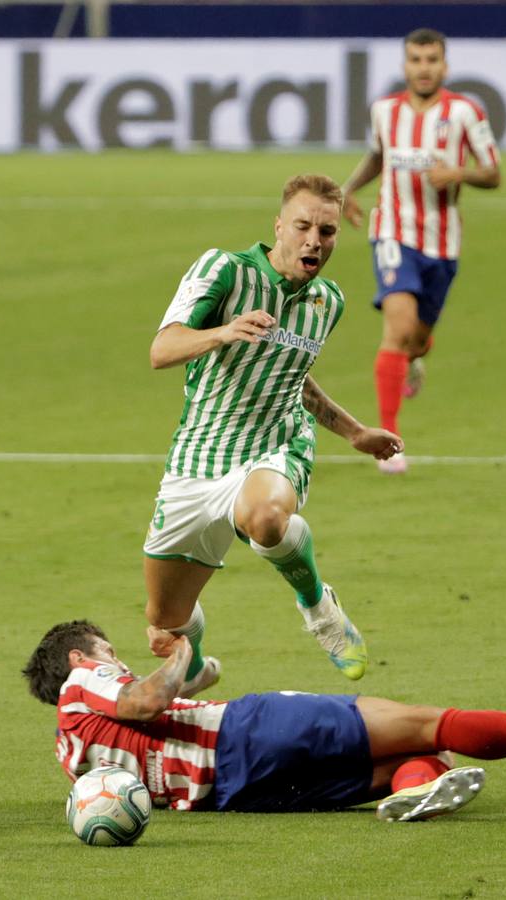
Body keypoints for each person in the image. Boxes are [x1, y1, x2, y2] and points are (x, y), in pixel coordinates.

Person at [143, 174, 403, 692]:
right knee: (163, 625)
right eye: (303, 226)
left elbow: (291, 374)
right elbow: (162, 350)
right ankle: (194, 672)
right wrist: (223, 330)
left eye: (327, 231)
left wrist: (352, 432)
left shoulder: (327, 301)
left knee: (264, 517)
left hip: (276, 445)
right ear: (279, 226)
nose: (314, 241)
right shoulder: (225, 270)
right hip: (199, 456)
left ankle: (320, 611)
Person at [24, 620, 506, 820]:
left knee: (420, 761)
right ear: (79, 658)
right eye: (108, 651)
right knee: (432, 724)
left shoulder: (70, 756)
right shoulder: (85, 682)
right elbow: (144, 701)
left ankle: (416, 787)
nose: (117, 659)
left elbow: (150, 717)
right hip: (250, 731)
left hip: (237, 796)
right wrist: (181, 644)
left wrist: (190, 672)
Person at [341, 28, 501, 474]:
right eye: (416, 59)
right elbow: (379, 157)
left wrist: (459, 173)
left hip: (443, 242)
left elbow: (493, 173)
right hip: (392, 231)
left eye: (432, 59)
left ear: (444, 66)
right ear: (405, 65)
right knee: (398, 328)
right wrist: (347, 188)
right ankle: (389, 443)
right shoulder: (384, 111)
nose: (424, 67)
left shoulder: (466, 113)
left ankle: (412, 359)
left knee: (416, 339)